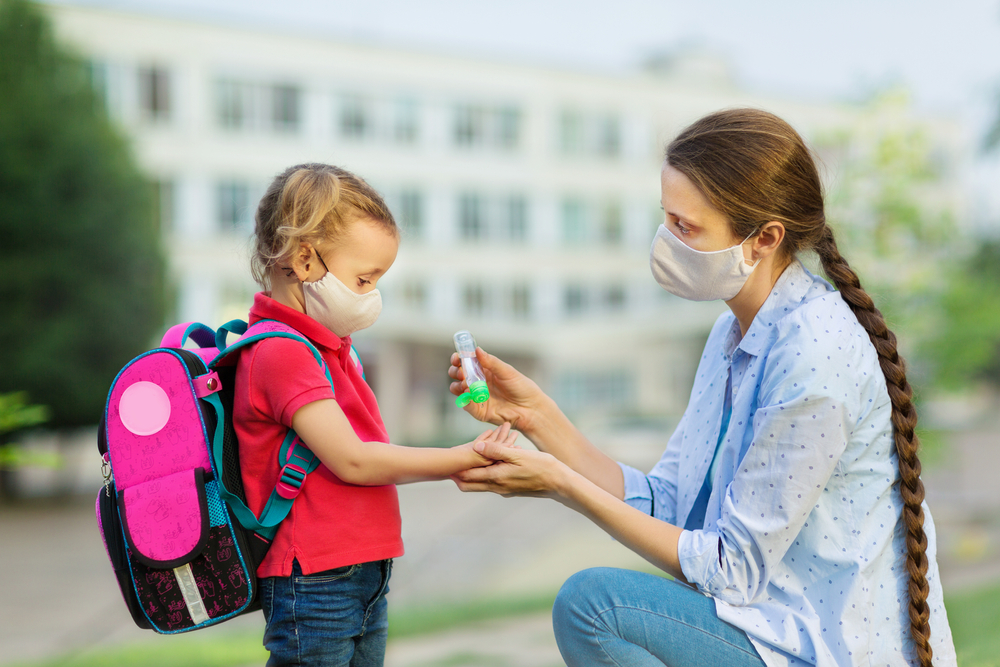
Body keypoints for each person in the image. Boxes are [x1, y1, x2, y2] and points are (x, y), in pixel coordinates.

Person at [451, 109, 956, 667]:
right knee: (592, 604)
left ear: (763, 238)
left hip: (818, 648)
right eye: (666, 220)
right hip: (767, 630)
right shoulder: (732, 333)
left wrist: (563, 484)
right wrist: (536, 417)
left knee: (592, 604)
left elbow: (731, 571)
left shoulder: (814, 350)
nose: (666, 241)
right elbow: (669, 504)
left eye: (685, 228)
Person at [234, 163, 517, 667]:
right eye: (363, 279)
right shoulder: (282, 353)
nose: (370, 297)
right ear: (303, 260)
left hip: (360, 572)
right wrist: (457, 458)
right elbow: (355, 462)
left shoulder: (327, 350)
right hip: (315, 580)